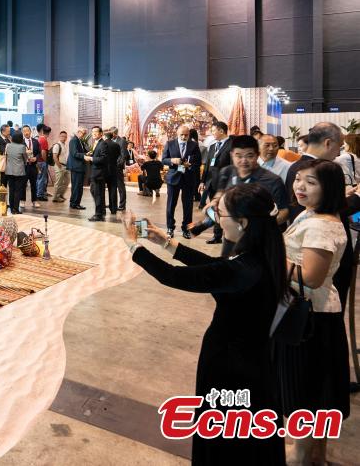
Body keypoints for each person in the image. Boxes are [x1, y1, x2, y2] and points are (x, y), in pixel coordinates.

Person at [121, 185, 286, 465]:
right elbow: (214, 268)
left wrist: (133, 245)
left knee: (226, 437)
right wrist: (165, 242)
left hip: (231, 366)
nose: (216, 220)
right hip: (252, 360)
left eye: (220, 214)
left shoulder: (245, 268)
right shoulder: (261, 255)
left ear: (243, 222)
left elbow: (175, 277)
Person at [277, 160, 350, 465]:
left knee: (305, 391)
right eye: (298, 180)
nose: (300, 187)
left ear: (329, 188)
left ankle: (302, 455)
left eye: (311, 182)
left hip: (311, 316)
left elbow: (311, 277)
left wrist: (271, 258)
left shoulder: (321, 226)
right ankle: (315, 454)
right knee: (315, 389)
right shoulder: (312, 214)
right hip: (314, 312)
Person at [205, 135, 289, 257]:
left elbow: (284, 211)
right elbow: (219, 197)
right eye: (238, 156)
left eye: (249, 156)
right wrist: (214, 208)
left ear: (257, 155)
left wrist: (259, 227)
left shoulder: (272, 180)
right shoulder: (228, 172)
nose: (243, 161)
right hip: (231, 239)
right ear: (232, 155)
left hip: (259, 242)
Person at [285, 122, 343, 222]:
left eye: (310, 182)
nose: (338, 153)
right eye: (339, 147)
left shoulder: (297, 166)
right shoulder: (309, 168)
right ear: (328, 143)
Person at [162, 124, 202, 239]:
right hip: (173, 178)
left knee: (188, 206)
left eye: (186, 135)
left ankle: (186, 229)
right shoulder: (170, 144)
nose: (184, 137)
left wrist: (190, 165)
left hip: (188, 178)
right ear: (177, 134)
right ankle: (170, 228)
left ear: (189, 135)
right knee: (171, 205)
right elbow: (163, 160)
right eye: (182, 135)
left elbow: (198, 162)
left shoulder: (194, 145)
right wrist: (172, 160)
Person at [200, 121, 232, 244]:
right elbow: (207, 165)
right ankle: (217, 236)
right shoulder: (213, 146)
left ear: (221, 131)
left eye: (213, 131)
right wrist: (203, 181)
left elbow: (233, 167)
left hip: (225, 185)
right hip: (211, 183)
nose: (212, 133)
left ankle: (230, 235)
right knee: (215, 210)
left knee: (227, 210)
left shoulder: (231, 145)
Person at [85, 127, 119, 221]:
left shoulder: (103, 143)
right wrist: (91, 155)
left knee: (98, 193)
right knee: (96, 192)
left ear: (101, 134)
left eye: (96, 132)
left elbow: (104, 158)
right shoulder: (97, 143)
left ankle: (98, 214)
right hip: (96, 172)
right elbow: (99, 155)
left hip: (99, 173)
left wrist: (91, 158)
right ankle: (102, 211)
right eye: (92, 132)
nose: (93, 133)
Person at [4, 131, 28, 214]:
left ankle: (11, 209)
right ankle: (16, 209)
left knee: (11, 190)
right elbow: (25, 159)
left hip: (9, 171)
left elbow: (6, 156)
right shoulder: (22, 147)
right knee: (18, 191)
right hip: (19, 172)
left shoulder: (8, 145)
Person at [67, 127, 88, 210]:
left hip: (79, 167)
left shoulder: (79, 140)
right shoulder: (74, 140)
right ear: (79, 132)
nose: (84, 135)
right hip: (76, 167)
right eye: (83, 133)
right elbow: (74, 153)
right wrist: (84, 156)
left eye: (85, 133)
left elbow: (81, 151)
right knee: (76, 186)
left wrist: (87, 153)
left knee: (78, 186)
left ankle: (75, 203)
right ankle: (74, 204)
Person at [21, 125, 41, 209]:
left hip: (33, 166)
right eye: (24, 131)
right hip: (24, 166)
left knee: (34, 184)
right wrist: (25, 159)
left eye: (27, 130)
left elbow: (39, 153)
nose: (26, 132)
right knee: (23, 184)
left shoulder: (35, 141)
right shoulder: (21, 142)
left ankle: (34, 200)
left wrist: (36, 158)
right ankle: (22, 200)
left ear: (30, 131)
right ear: (22, 132)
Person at [109, 126, 128, 211]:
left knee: (120, 186)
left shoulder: (122, 141)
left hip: (117, 167)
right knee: (112, 186)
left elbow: (123, 155)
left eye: (111, 133)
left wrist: (118, 165)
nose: (110, 135)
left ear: (115, 133)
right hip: (110, 167)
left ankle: (122, 205)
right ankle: (113, 204)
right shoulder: (110, 140)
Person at [51, 130, 70, 202]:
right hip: (59, 166)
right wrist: (59, 166)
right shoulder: (57, 145)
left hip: (66, 166)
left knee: (67, 181)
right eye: (62, 136)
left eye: (65, 136)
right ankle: (55, 197)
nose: (64, 138)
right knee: (59, 182)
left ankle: (61, 195)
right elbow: (54, 156)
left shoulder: (64, 145)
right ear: (59, 136)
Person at [36, 124, 50, 201]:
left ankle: (38, 193)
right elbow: (43, 152)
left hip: (38, 161)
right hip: (42, 161)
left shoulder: (39, 139)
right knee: (42, 178)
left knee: (39, 178)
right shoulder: (43, 140)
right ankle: (40, 195)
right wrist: (45, 161)